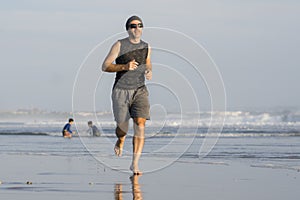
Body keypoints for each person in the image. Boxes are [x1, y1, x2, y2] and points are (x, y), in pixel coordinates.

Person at [102, 15, 152, 175]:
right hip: (121, 91)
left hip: (140, 90)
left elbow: (148, 61)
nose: (136, 28)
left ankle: (135, 164)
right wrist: (124, 66)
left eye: (139, 25)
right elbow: (105, 66)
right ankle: (120, 139)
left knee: (140, 124)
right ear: (128, 29)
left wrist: (149, 70)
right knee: (122, 128)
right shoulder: (119, 45)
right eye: (133, 26)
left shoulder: (146, 46)